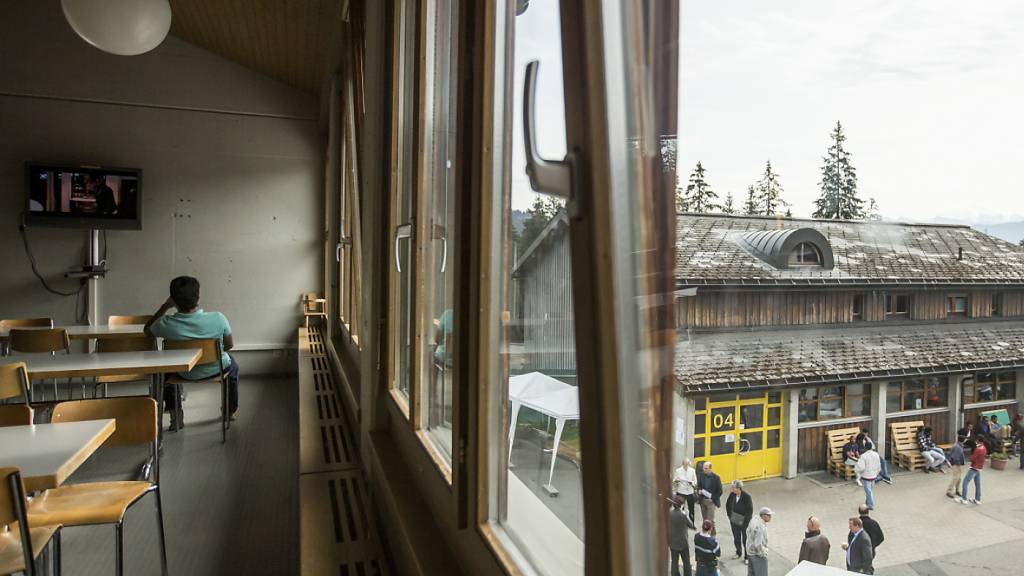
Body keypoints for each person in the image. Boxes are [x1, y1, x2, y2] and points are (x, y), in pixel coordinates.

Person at [145, 276, 239, 430]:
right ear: (198, 296)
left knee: (164, 371)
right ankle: (230, 411)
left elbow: (147, 330)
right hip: (216, 369)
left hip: (182, 372)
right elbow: (229, 345)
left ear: (173, 299)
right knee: (233, 366)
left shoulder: (166, 323)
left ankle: (175, 415)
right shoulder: (218, 318)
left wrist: (165, 306)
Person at [725, 480, 753, 561]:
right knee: (736, 537)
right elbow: (728, 505)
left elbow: (750, 511)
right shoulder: (732, 495)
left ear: (739, 488)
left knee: (745, 539)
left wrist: (745, 521)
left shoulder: (747, 497)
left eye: (733, 488)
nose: (732, 489)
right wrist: (730, 516)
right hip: (734, 519)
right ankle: (738, 552)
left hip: (744, 521)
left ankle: (747, 557)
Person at [670, 495, 696, 576]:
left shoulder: (669, 514)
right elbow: (691, 525)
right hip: (683, 542)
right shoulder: (683, 515)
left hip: (672, 542)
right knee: (686, 561)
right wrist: (686, 514)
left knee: (674, 561)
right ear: (681, 505)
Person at [744, 507, 772, 576]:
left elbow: (747, 532)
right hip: (757, 555)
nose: (771, 517)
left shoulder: (754, 520)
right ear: (763, 515)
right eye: (769, 515)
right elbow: (758, 544)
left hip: (750, 552)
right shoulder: (760, 527)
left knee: (751, 574)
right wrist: (763, 553)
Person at [959, 438, 985, 505]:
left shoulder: (978, 449)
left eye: (976, 440)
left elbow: (972, 458)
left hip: (974, 467)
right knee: (978, 484)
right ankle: (977, 499)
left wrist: (970, 457)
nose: (975, 441)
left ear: (978, 440)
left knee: (965, 482)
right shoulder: (984, 448)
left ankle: (964, 499)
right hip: (979, 467)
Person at [697, 462, 722, 529]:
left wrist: (712, 497)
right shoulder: (701, 475)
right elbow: (699, 486)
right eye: (703, 468)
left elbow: (720, 491)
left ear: (710, 468)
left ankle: (712, 534)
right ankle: (705, 533)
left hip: (711, 501)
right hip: (703, 500)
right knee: (705, 519)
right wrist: (699, 490)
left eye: (706, 468)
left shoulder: (716, 478)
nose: (704, 470)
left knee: (710, 521)